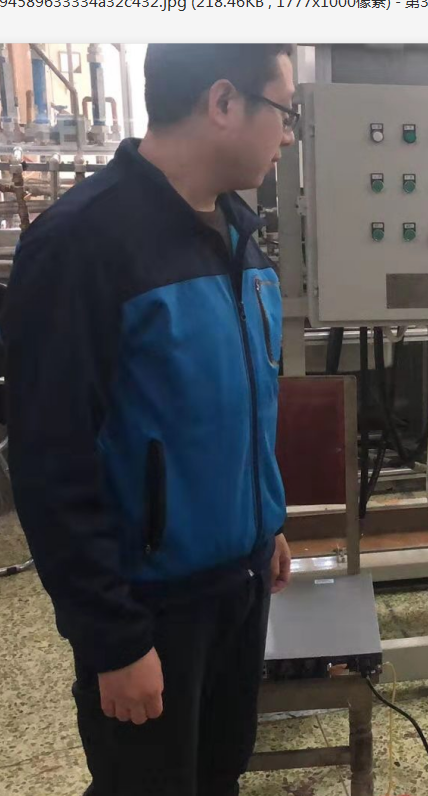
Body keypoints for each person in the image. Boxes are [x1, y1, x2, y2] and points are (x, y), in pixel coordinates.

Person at [1, 44, 297, 796]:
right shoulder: (82, 243)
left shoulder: (239, 232)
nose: (288, 134)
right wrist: (113, 640)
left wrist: (265, 523)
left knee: (219, 775)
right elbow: (49, 463)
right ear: (223, 103)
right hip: (151, 608)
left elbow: (237, 402)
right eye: (284, 111)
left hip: (239, 584)